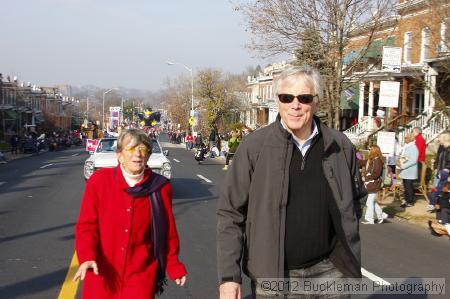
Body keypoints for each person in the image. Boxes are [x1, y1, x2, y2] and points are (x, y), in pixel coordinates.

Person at [217, 65, 365, 299]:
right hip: (275, 276)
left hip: (330, 273)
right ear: (278, 101)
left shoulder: (340, 146)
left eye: (304, 98)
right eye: (287, 98)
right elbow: (230, 214)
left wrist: (344, 253)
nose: (295, 105)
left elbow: (356, 200)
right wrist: (229, 277)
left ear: (316, 101)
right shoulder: (254, 147)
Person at [74, 129, 187, 298]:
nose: (138, 155)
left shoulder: (160, 186)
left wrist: (173, 264)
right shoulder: (99, 182)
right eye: (131, 149)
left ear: (148, 156)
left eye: (143, 150)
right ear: (119, 155)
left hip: (140, 275)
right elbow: (87, 225)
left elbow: (167, 230)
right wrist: (87, 256)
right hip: (102, 273)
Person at [361, 145, 388, 224]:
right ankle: (381, 215)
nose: (369, 151)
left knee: (369, 202)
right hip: (373, 183)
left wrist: (366, 178)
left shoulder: (377, 161)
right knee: (372, 202)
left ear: (374, 151)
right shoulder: (375, 160)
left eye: (370, 150)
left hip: (374, 184)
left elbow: (376, 174)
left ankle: (370, 219)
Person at [398, 133, 419, 208]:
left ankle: (410, 201)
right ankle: (406, 201)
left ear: (410, 139)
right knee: (406, 187)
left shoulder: (413, 147)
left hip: (409, 171)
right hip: (405, 170)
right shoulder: (407, 146)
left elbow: (413, 160)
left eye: (406, 138)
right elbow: (405, 157)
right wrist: (400, 162)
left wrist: (403, 165)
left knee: (409, 187)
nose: (404, 139)